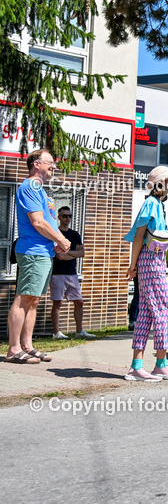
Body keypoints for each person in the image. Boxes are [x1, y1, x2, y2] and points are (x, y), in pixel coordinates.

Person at [123, 166, 168, 381]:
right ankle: (161, 364)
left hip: (153, 262)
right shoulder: (151, 204)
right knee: (166, 310)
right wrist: (132, 267)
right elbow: (139, 237)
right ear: (161, 183)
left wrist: (135, 267)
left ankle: (137, 366)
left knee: (146, 314)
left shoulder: (157, 204)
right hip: (151, 263)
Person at [7, 149, 70, 364]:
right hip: (33, 251)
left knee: (33, 301)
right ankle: (14, 349)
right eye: (50, 162)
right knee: (24, 299)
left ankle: (27, 346)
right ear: (36, 164)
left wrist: (56, 240)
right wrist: (61, 239)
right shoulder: (30, 186)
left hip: (43, 252)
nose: (54, 166)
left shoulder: (40, 190)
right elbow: (38, 222)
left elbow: (47, 222)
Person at [50, 206, 94, 339]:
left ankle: (79, 331)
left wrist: (67, 252)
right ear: (59, 217)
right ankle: (57, 333)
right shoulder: (55, 234)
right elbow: (59, 256)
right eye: (64, 216)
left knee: (79, 301)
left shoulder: (75, 234)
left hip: (72, 273)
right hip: (58, 273)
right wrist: (72, 254)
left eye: (70, 216)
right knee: (58, 302)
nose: (67, 218)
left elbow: (82, 253)